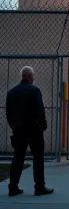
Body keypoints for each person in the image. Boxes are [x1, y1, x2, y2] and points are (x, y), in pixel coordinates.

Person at [6, 66, 54, 197]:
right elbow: (40, 110)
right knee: (38, 158)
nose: (34, 77)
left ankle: (13, 187)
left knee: (18, 158)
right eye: (33, 75)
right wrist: (43, 125)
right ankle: (39, 187)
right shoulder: (35, 91)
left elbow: (8, 113)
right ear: (30, 76)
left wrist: (14, 126)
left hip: (19, 130)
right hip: (34, 130)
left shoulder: (12, 92)